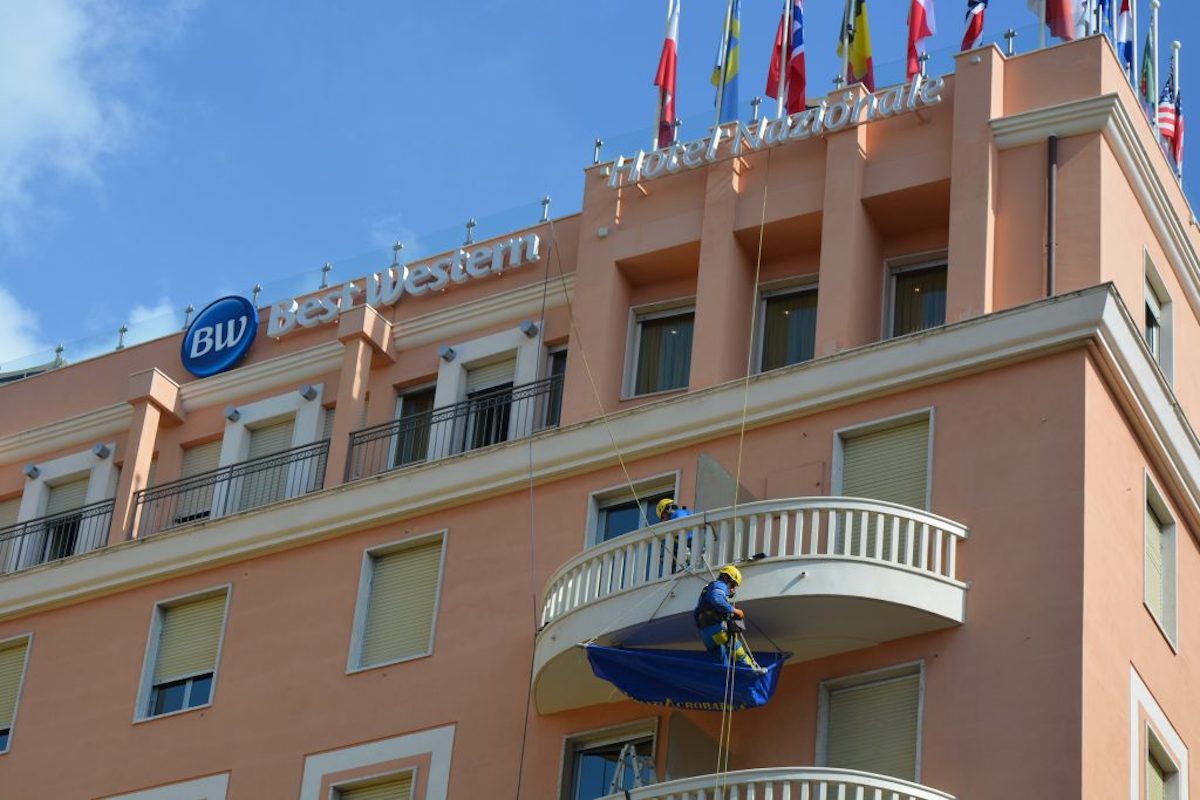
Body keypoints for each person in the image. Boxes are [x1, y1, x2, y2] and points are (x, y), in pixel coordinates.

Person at [693, 564, 765, 673]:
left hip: (705, 634)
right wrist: (735, 611)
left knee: (722, 664)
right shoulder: (720, 585)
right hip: (716, 630)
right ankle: (754, 671)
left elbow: (696, 613)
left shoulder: (706, 590)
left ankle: (724, 683)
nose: (733, 589)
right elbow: (716, 599)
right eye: (733, 585)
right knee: (737, 650)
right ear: (727, 578)